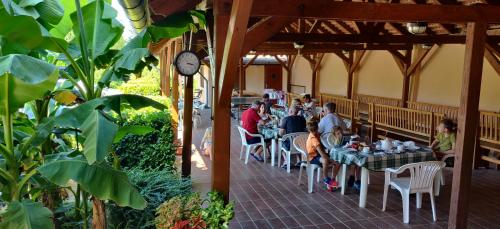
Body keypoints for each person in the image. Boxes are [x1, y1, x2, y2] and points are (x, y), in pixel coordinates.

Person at [306, 120, 341, 190]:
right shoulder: (314, 139)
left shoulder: (315, 134)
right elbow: (322, 154)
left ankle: (332, 180)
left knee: (338, 160)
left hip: (318, 155)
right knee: (325, 160)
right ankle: (326, 178)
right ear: (317, 128)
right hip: (313, 157)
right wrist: (332, 161)